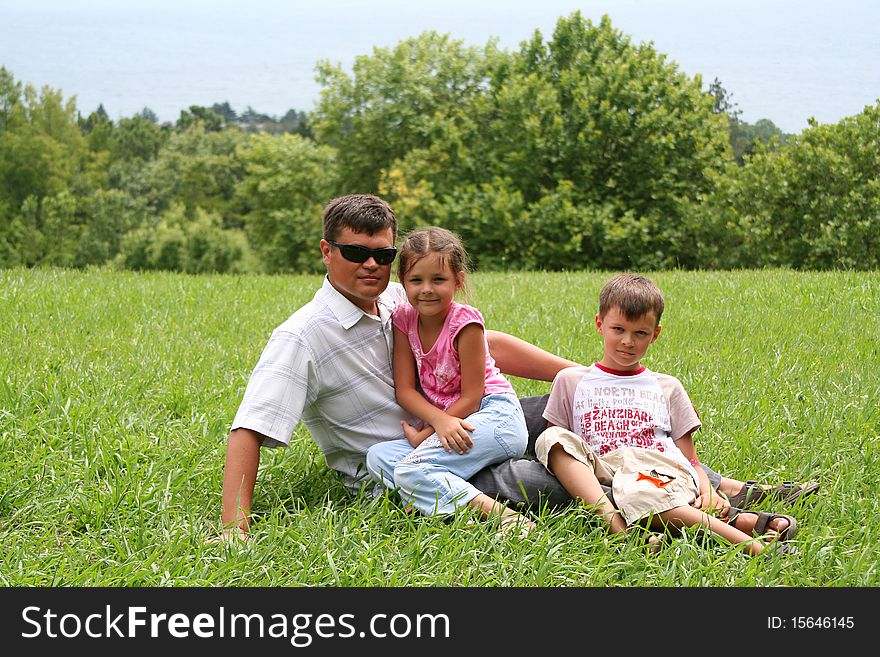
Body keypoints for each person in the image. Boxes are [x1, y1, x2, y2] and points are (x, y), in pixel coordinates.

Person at [217, 192, 816, 541]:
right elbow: (249, 427)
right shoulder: (301, 337)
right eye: (355, 253)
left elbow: (483, 347)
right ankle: (669, 515)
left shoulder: (401, 300)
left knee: (594, 418)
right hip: (413, 464)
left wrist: (582, 377)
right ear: (326, 252)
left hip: (469, 422)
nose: (371, 264)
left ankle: (727, 492)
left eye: (383, 254)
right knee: (547, 480)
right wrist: (234, 533)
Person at [533, 273, 798, 555]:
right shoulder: (570, 380)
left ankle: (753, 548)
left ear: (655, 334)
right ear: (600, 325)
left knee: (641, 492)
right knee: (551, 438)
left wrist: (707, 490)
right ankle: (620, 527)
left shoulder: (667, 386)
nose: (627, 342)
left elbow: (689, 457)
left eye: (640, 333)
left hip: (655, 468)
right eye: (618, 329)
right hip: (605, 467)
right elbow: (558, 451)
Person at [364, 227, 533, 536]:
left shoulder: (465, 323)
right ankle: (453, 513)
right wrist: (435, 426)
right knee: (378, 456)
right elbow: (405, 390)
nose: (426, 289)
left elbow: (472, 395)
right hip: (449, 422)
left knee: (411, 468)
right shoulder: (404, 319)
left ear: (458, 280)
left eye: (438, 280)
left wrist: (430, 430)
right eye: (416, 280)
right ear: (403, 282)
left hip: (493, 417)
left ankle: (505, 517)